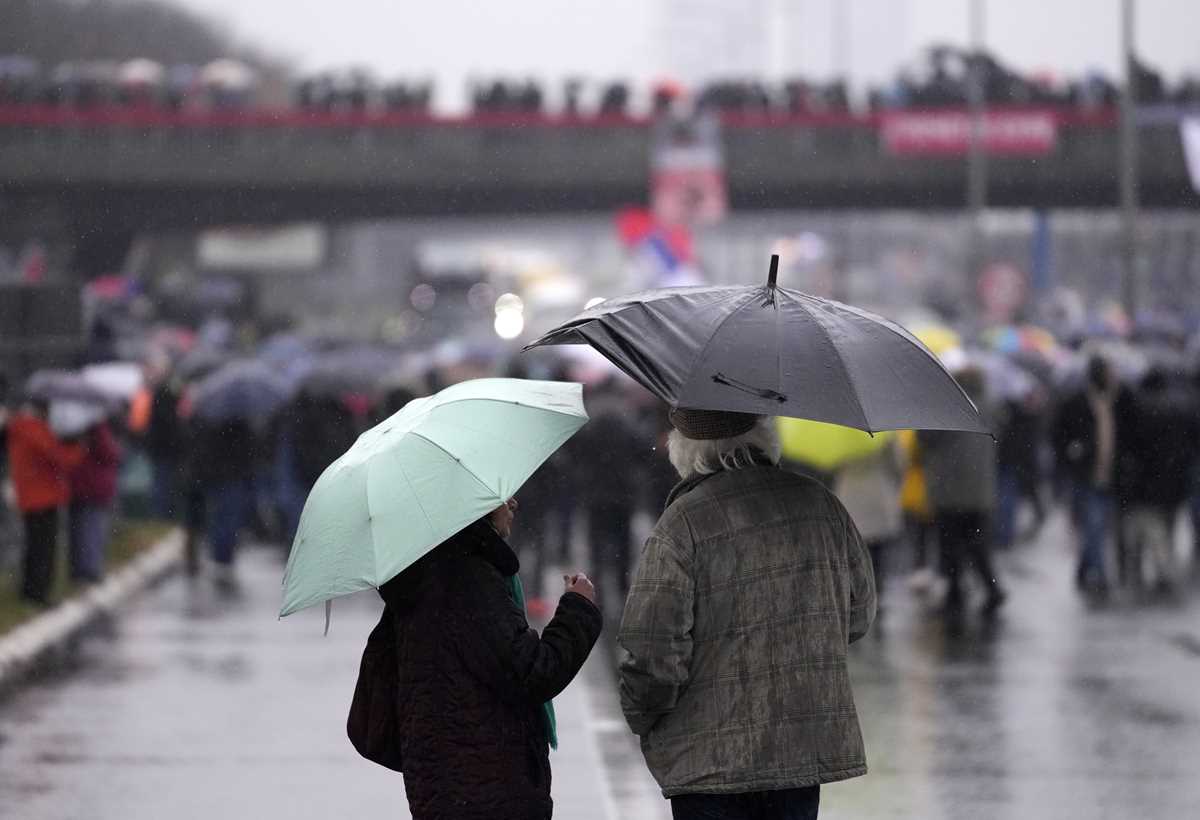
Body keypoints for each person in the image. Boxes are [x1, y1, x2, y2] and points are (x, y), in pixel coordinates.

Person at [618, 408, 875, 820]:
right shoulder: (820, 504)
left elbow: (653, 651)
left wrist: (644, 717)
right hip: (799, 748)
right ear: (763, 435)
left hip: (708, 758)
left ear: (686, 449)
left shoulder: (683, 523)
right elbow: (858, 616)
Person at [350, 499, 603, 820]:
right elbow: (533, 671)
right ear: (471, 505)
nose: (513, 501)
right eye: (497, 494)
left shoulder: (423, 571)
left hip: (444, 785)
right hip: (488, 785)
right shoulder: (466, 575)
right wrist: (578, 609)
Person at [920, 366, 1007, 615]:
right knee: (978, 544)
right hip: (980, 490)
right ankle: (991, 588)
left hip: (950, 490)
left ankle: (955, 592)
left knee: (949, 543)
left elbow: (924, 439)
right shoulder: (990, 404)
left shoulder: (947, 406)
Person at [1052, 355, 1120, 593]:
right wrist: (1073, 452)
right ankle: (1099, 575)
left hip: (1110, 475)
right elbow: (1058, 434)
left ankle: (1084, 567)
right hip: (1085, 474)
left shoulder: (1119, 401)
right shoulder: (1076, 402)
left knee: (1096, 526)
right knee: (1094, 525)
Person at [6, 397, 84, 604]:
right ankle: (37, 593)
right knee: (43, 549)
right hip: (43, 497)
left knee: (33, 546)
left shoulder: (19, 428)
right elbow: (60, 459)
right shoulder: (36, 431)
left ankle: (30, 591)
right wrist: (75, 444)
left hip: (30, 495)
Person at [835, 437, 904, 614]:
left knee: (854, 549)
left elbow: (833, 462)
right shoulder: (885, 434)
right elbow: (898, 463)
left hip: (850, 495)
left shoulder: (839, 433)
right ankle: (876, 590)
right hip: (877, 493)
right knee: (878, 550)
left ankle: (857, 592)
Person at [67, 419, 123, 583]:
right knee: (93, 529)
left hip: (78, 485)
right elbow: (110, 453)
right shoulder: (97, 428)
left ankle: (79, 569)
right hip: (93, 487)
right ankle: (90, 569)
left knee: (79, 529)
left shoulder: (71, 430)